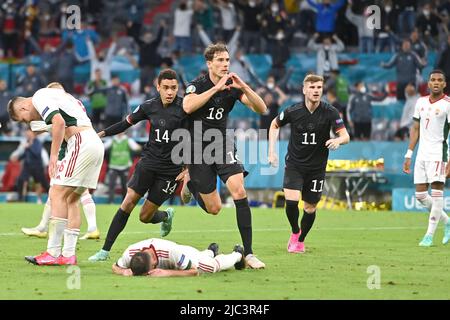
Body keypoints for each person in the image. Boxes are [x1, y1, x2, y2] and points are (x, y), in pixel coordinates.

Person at [181, 43, 267, 269]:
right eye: (220, 60)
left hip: (221, 142)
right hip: (198, 147)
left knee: (239, 189)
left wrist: (245, 87)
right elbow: (188, 107)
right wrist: (216, 88)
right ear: (209, 63)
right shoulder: (196, 84)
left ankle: (248, 254)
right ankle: (190, 183)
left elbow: (262, 108)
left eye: (227, 60)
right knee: (214, 209)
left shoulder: (233, 87)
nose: (225, 64)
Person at [89, 69, 188, 262]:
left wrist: (188, 167)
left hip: (171, 170)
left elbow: (195, 137)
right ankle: (105, 251)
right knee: (128, 202)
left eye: (174, 88)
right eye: (166, 87)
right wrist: (102, 133)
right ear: (157, 87)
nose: (170, 92)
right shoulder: (149, 106)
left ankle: (166, 216)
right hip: (148, 162)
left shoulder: (186, 107)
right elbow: (125, 123)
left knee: (144, 216)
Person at [8, 83, 104, 266]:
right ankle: (68, 255)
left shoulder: (38, 96)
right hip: (94, 143)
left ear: (23, 107)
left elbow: (58, 123)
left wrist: (53, 155)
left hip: (80, 141)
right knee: (72, 199)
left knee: (56, 193)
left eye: (23, 118)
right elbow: (43, 125)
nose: (26, 122)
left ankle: (52, 252)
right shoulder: (62, 97)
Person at [268, 74, 350, 253]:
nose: (316, 91)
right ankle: (295, 232)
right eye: (312, 87)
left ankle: (301, 240)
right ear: (304, 90)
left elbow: (345, 136)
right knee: (291, 201)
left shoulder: (330, 112)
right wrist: (272, 151)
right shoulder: (293, 111)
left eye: (319, 88)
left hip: (317, 168)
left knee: (310, 207)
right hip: (295, 164)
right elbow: (274, 125)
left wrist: (338, 140)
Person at [403, 70, 450, 246]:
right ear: (428, 83)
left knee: (437, 195)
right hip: (421, 154)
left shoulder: (448, 104)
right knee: (421, 196)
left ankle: (429, 235)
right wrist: (409, 154)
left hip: (439, 154)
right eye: (433, 80)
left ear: (444, 84)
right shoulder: (420, 102)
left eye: (440, 80)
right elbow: (415, 129)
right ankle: (448, 222)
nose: (436, 82)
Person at [112, 239, 246, 277]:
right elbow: (115, 266)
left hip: (185, 255)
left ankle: (238, 254)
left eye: (149, 271)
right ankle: (210, 251)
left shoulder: (171, 251)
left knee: (210, 267)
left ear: (154, 261)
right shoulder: (130, 252)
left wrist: (168, 273)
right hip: (180, 258)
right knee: (203, 258)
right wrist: (123, 271)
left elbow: (193, 271)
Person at [104, 132, 142, 204]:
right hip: (113, 165)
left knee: (124, 185)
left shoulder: (128, 140)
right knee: (111, 184)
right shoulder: (112, 140)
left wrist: (139, 147)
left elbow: (136, 147)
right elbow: (103, 146)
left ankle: (124, 202)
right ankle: (110, 201)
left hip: (124, 166)